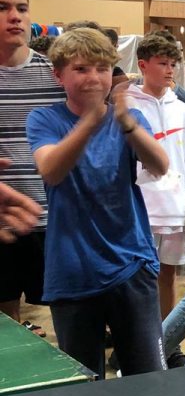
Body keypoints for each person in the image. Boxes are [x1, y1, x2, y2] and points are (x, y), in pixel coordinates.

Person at [25, 27, 170, 376]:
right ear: (58, 75)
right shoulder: (44, 119)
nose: (93, 77)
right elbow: (51, 170)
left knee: (148, 379)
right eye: (81, 69)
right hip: (72, 272)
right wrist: (91, 120)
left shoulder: (129, 118)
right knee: (84, 386)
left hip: (131, 264)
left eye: (102, 68)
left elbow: (160, 165)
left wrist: (127, 123)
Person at [0, 0, 64, 333]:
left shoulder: (54, 76)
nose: (15, 17)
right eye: (3, 8)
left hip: (52, 216)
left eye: (22, 8)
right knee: (5, 317)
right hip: (3, 219)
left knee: (65, 308)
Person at [128, 32, 185, 321]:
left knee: (167, 277)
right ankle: (136, 338)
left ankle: (164, 338)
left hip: (175, 210)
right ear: (143, 65)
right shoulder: (127, 106)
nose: (170, 70)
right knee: (136, 280)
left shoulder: (183, 111)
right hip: (139, 210)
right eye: (162, 63)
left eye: (173, 64)